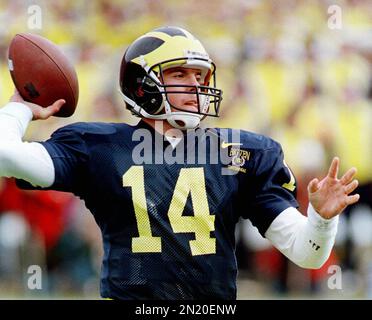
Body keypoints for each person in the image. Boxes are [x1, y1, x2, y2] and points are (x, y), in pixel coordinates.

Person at [0, 26, 359, 300]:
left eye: (200, 76)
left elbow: (307, 253)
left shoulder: (243, 152)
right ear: (142, 84)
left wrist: (321, 220)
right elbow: (6, 155)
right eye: (180, 74)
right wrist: (21, 105)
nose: (196, 85)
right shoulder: (99, 146)